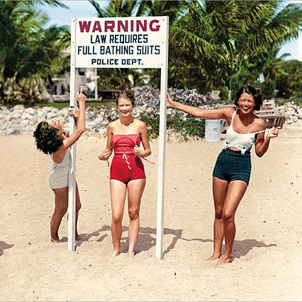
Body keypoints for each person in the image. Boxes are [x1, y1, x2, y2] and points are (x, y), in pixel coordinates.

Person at [167, 84, 279, 265]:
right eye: (243, 100)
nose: (246, 103)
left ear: (255, 103)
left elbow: (259, 151)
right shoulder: (229, 113)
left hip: (242, 166)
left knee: (228, 213)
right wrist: (175, 105)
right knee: (218, 212)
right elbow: (201, 113)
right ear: (238, 100)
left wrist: (267, 139)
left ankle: (228, 255)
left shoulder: (260, 123)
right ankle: (216, 252)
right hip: (222, 163)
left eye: (249, 101)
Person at [98, 90, 152, 257]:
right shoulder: (112, 126)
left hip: (136, 170)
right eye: (121, 105)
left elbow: (148, 150)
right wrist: (102, 156)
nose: (124, 108)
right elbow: (107, 150)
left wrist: (142, 153)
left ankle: (130, 250)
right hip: (117, 171)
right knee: (116, 215)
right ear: (117, 107)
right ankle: (116, 248)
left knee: (133, 212)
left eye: (127, 105)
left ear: (132, 106)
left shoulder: (140, 125)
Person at [33, 87, 87, 242]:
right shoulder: (59, 146)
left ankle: (73, 233)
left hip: (68, 175)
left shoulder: (63, 136)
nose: (56, 120)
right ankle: (54, 236)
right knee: (61, 209)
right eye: (54, 123)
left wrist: (77, 116)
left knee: (76, 206)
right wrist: (82, 104)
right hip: (59, 180)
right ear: (56, 133)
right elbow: (81, 130)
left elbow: (78, 128)